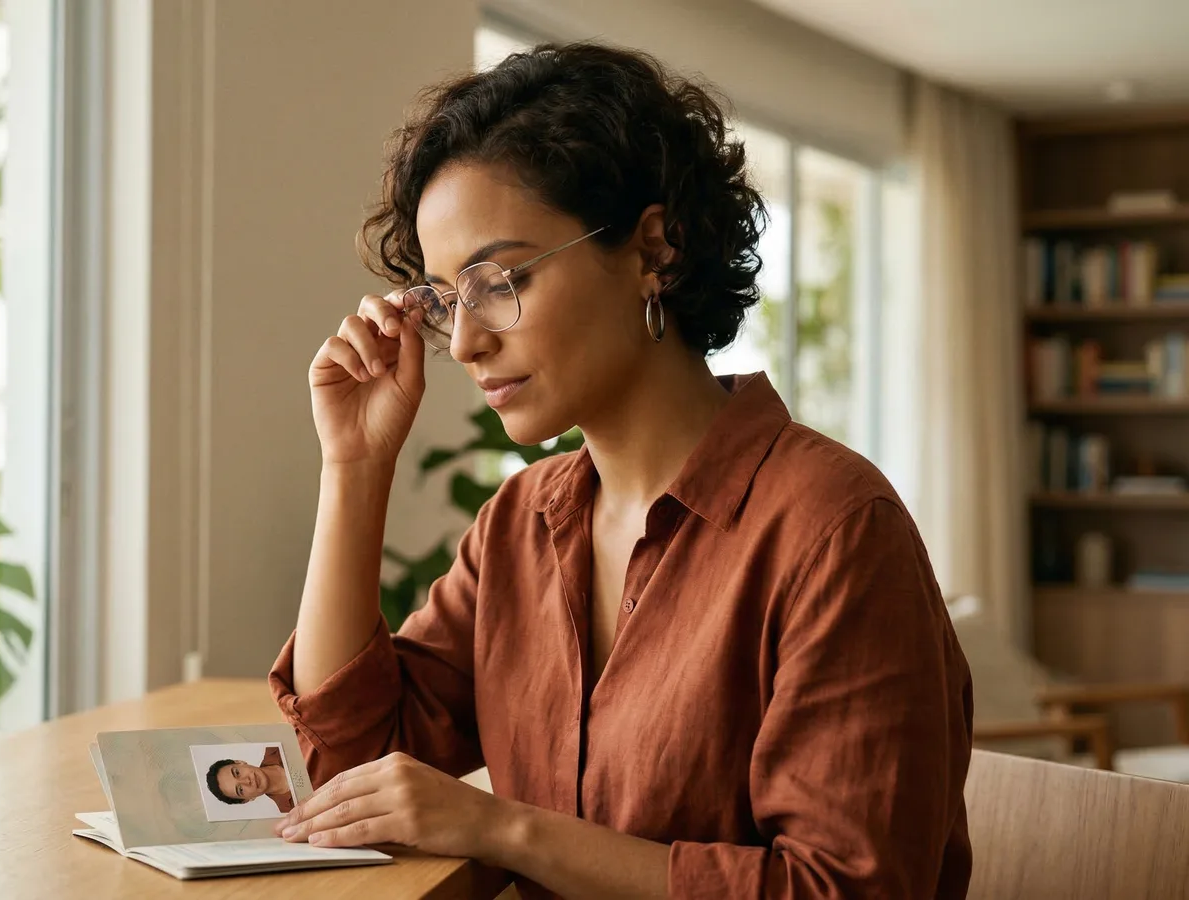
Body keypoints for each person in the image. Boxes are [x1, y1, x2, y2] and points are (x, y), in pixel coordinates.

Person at [266, 41, 973, 900]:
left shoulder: (835, 530)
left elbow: (842, 890)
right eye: (448, 298)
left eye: (499, 279)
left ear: (652, 251)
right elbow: (351, 761)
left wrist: (506, 829)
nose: (466, 340)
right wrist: (354, 466)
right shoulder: (519, 523)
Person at [205, 746, 295, 814]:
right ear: (247, 800)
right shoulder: (290, 812)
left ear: (240, 762)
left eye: (237, 773)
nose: (247, 781)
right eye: (240, 789)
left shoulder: (279, 746)